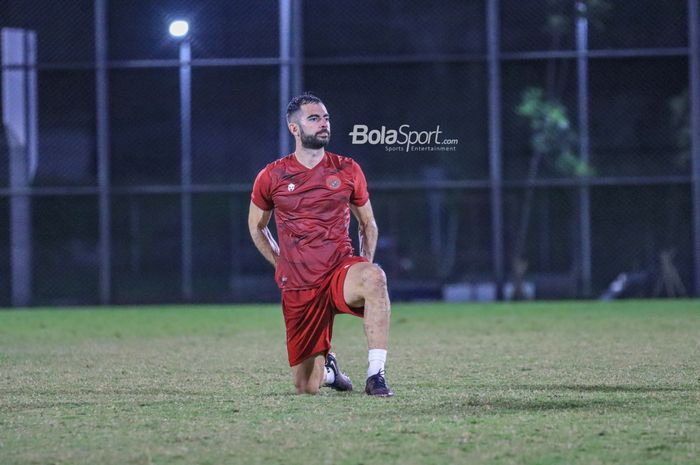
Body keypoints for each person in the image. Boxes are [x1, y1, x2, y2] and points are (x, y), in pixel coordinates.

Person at [248, 93, 394, 396]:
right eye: (314, 118)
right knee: (305, 387)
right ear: (295, 129)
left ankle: (375, 375)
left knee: (375, 277)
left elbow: (368, 223)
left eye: (326, 117)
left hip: (339, 270)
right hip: (299, 282)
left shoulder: (347, 169)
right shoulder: (271, 175)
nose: (324, 123)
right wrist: (280, 261)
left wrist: (363, 263)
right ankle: (329, 371)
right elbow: (257, 226)